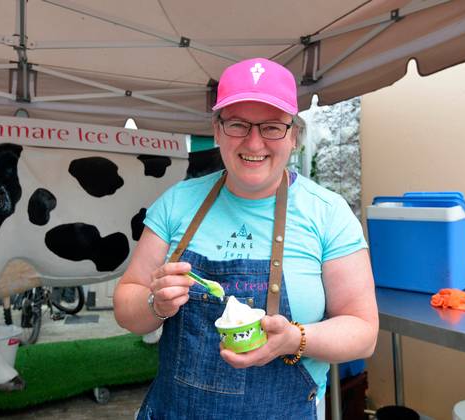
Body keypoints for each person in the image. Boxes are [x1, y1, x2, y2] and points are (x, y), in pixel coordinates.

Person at [114, 57, 378, 420]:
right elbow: (126, 307)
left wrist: (296, 339)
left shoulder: (328, 214)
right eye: (238, 124)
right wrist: (155, 304)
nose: (254, 142)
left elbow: (363, 331)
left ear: (294, 135)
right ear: (218, 130)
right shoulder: (177, 203)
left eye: (272, 127)